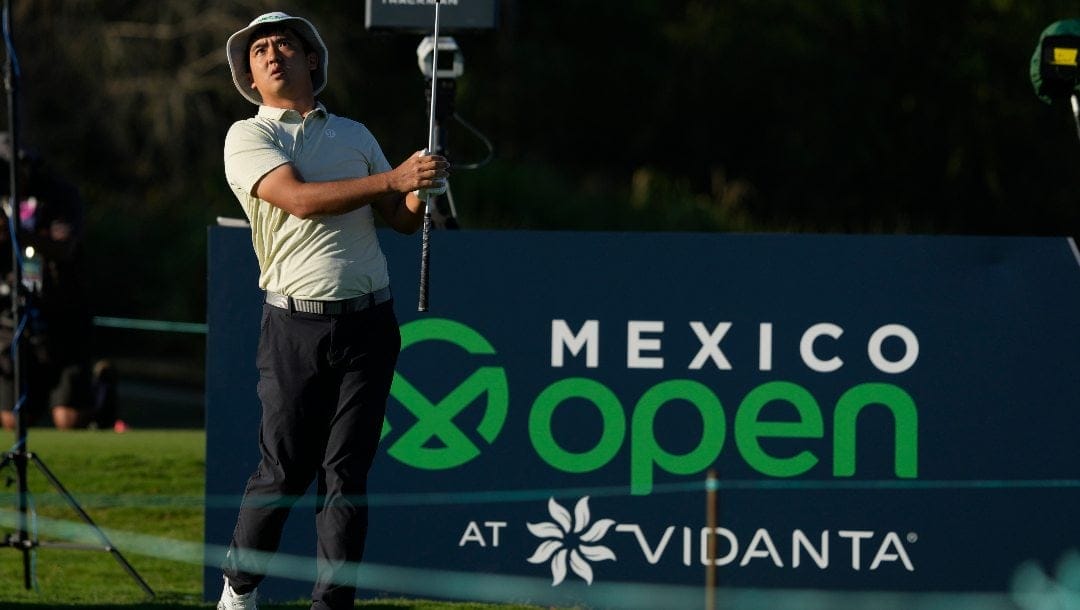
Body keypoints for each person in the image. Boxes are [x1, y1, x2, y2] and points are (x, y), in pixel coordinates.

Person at [218, 12, 448, 610]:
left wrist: (420, 186)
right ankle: (239, 590)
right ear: (251, 73)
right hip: (294, 323)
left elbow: (398, 220)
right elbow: (297, 200)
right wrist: (393, 178)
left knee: (346, 476)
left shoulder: (353, 134)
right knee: (284, 472)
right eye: (260, 50)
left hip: (370, 322)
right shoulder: (248, 136)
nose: (272, 55)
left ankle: (331, 605)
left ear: (311, 60)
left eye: (285, 45)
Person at [0, 134, 102, 431]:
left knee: (68, 419)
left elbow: (64, 247)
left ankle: (102, 399)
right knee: (12, 419)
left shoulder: (58, 194)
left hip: (63, 316)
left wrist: (14, 233)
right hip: (12, 322)